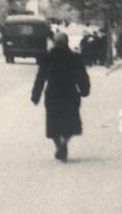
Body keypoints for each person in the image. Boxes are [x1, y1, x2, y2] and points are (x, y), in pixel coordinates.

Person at [31, 32, 91, 162]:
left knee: (53, 123)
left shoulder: (47, 57)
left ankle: (58, 145)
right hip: (70, 93)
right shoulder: (75, 57)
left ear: (54, 43)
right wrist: (85, 90)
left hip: (52, 94)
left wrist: (35, 95)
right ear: (67, 42)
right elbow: (82, 76)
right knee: (70, 122)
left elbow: (40, 78)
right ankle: (64, 143)